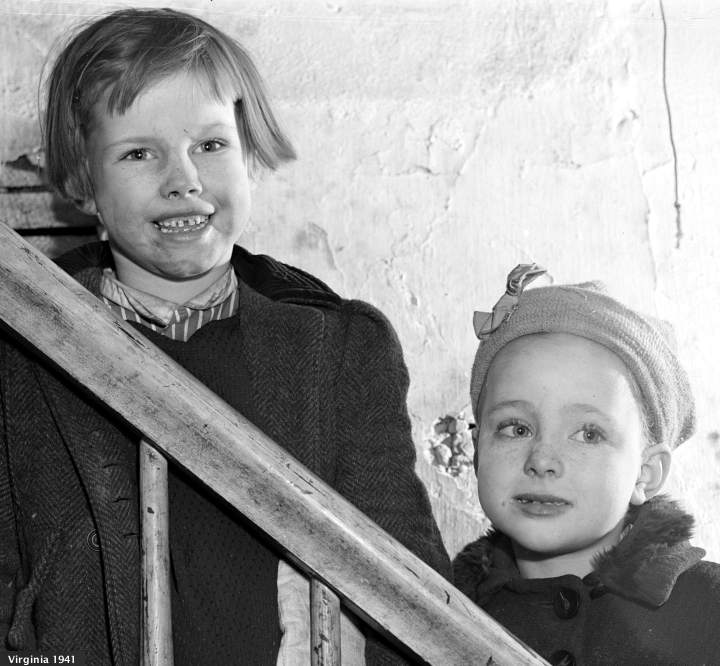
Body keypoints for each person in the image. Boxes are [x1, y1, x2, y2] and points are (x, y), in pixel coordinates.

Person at [0, 8, 450, 664]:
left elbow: (410, 591)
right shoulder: (22, 348)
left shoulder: (341, 348)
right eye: (138, 153)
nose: (183, 179)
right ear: (83, 185)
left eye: (210, 145)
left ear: (250, 158)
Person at [453, 264, 720, 665]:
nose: (542, 460)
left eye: (588, 434)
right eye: (516, 428)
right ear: (477, 450)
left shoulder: (710, 610)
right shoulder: (446, 606)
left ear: (646, 473)